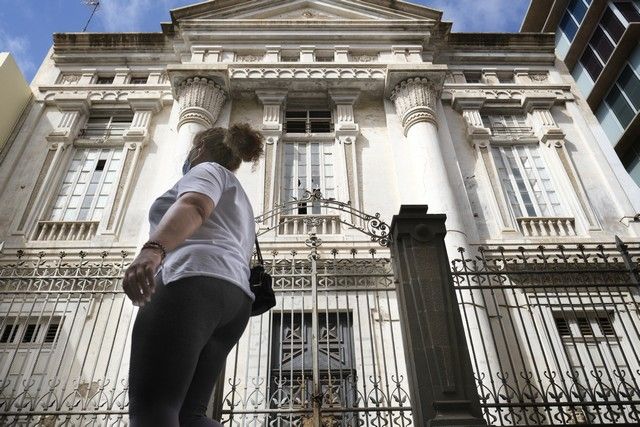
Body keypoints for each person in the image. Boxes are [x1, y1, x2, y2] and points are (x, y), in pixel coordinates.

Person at [123, 123, 264, 427]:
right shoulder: (239, 196)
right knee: (189, 417)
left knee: (152, 411)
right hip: (234, 301)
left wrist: (153, 250)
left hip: (192, 282)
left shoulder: (206, 170)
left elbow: (194, 205)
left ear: (199, 149)